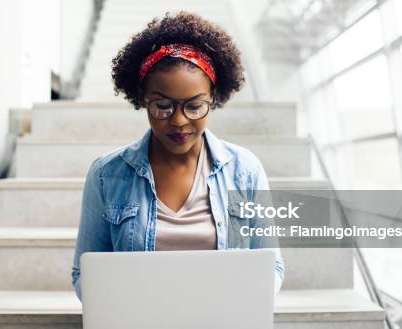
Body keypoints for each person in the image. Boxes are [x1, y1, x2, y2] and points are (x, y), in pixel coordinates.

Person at [72, 11, 284, 300]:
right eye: (162, 105)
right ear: (141, 99)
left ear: (214, 98)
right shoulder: (106, 175)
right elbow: (85, 273)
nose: (179, 121)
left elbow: (272, 266)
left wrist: (243, 304)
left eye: (194, 106)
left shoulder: (245, 170)